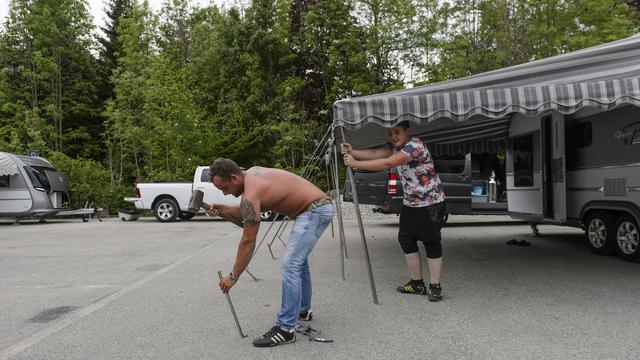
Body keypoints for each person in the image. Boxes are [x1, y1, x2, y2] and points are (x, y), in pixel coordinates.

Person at [207, 158, 333, 347]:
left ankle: (285, 329)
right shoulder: (252, 174)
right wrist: (221, 208)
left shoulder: (250, 193)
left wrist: (233, 276)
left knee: (291, 263)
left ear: (233, 177)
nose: (225, 193)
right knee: (298, 262)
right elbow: (246, 210)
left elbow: (248, 241)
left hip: (314, 211)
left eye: (224, 188)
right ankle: (302, 311)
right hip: (316, 207)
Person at [341, 121, 446, 301]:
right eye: (390, 133)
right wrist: (353, 151)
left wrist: (355, 163)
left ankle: (435, 286)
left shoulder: (415, 146)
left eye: (397, 132)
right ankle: (417, 284)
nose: (393, 136)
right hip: (411, 202)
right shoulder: (398, 147)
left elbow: (386, 163)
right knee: (406, 239)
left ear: (407, 131)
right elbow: (377, 153)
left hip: (430, 202)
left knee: (431, 241)